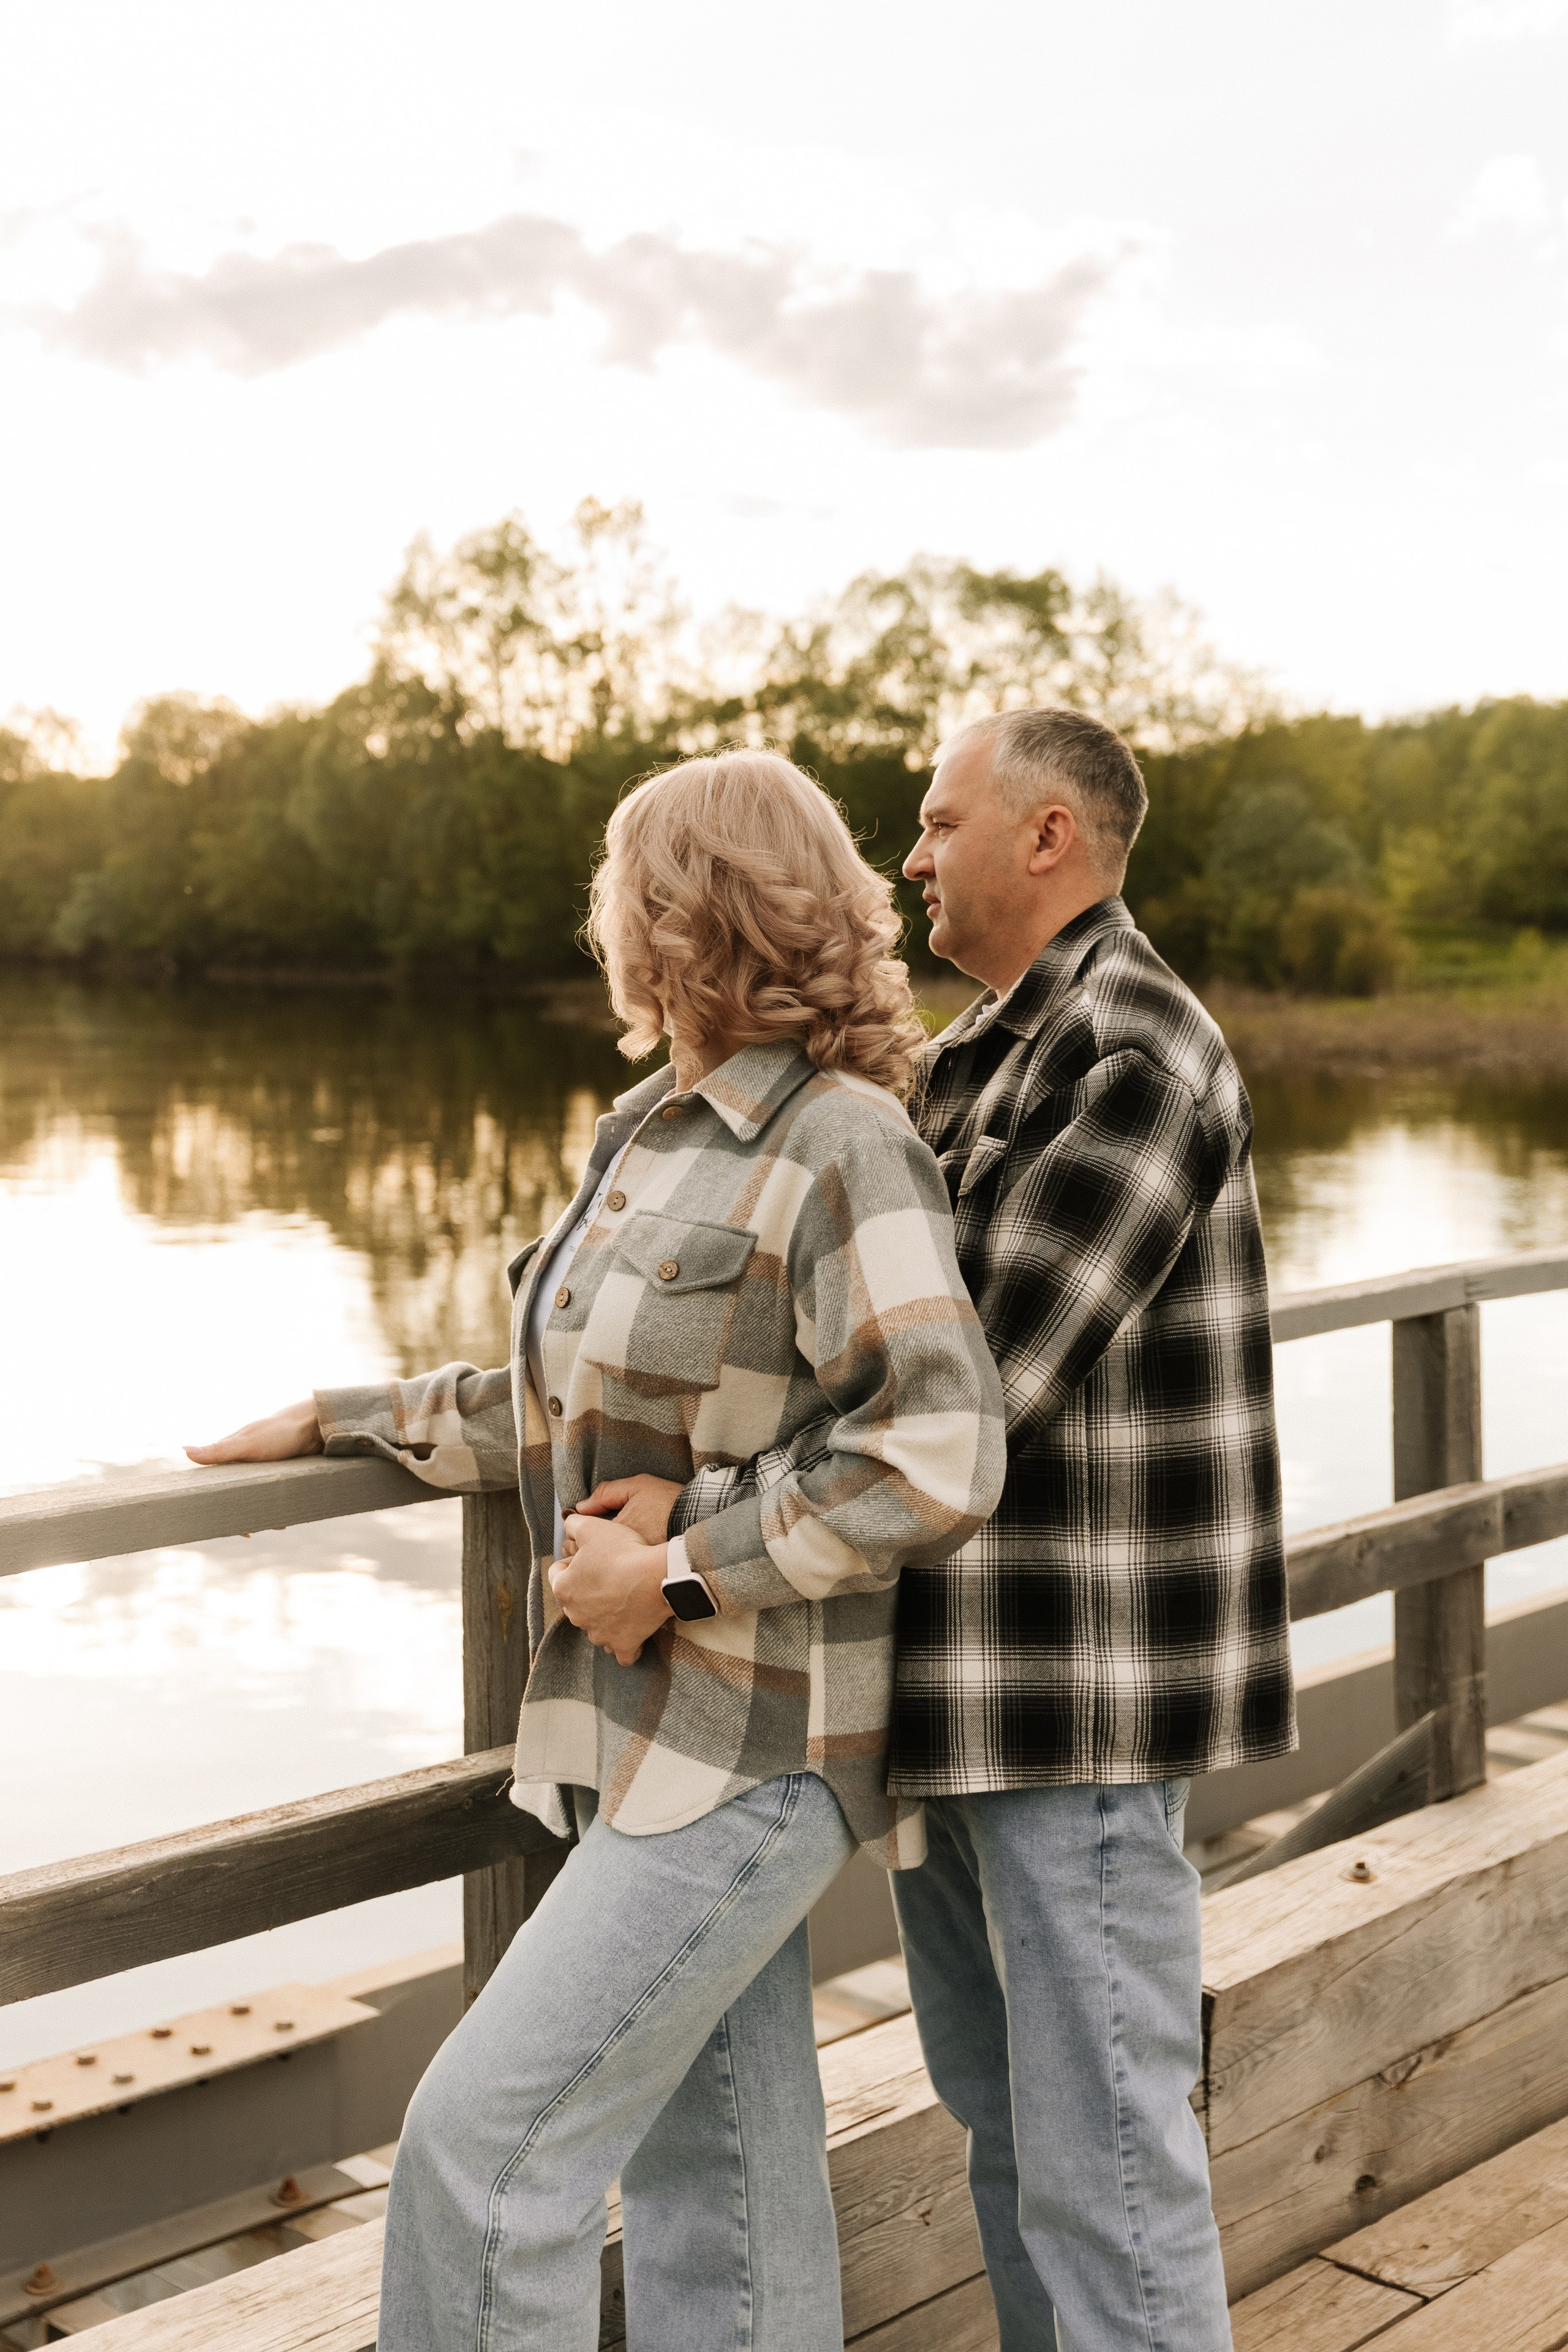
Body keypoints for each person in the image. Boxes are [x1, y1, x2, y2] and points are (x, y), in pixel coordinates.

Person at [187, 749, 1007, 2352]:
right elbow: (575, 1405)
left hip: (754, 1751)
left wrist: (686, 1561)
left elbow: (941, 1443)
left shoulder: (841, 1142)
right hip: (628, 1741)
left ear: (675, 912)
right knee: (727, 2189)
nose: (600, 920)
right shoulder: (647, 1137)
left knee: (485, 2158)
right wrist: (347, 1415)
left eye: (615, 886)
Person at [591, 707, 1295, 2351]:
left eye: (937, 819)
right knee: (1009, 2145)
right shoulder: (977, 1054)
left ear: (1047, 836)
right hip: (955, 1703)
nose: (908, 857)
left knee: (1108, 2173)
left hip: (1079, 1709)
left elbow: (982, 1384)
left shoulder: (1133, 1046)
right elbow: (832, 1350)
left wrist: (690, 1524)